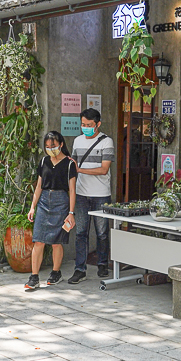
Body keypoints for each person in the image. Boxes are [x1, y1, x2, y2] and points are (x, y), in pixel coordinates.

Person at [25, 131, 77, 290]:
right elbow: (39, 186)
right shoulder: (43, 161)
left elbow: (72, 190)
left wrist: (71, 213)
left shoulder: (69, 164)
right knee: (38, 240)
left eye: (53, 146)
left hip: (61, 202)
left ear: (61, 144)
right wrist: (33, 206)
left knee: (56, 241)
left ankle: (56, 272)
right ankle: (34, 277)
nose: (50, 149)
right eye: (47, 147)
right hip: (44, 202)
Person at [68, 108, 115, 284]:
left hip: (101, 194)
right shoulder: (77, 141)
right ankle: (80, 269)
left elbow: (104, 169)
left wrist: (80, 169)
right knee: (80, 233)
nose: (85, 127)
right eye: (83, 125)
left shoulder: (106, 142)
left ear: (98, 124)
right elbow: (72, 165)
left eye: (89, 125)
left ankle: (103, 264)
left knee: (102, 232)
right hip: (80, 194)